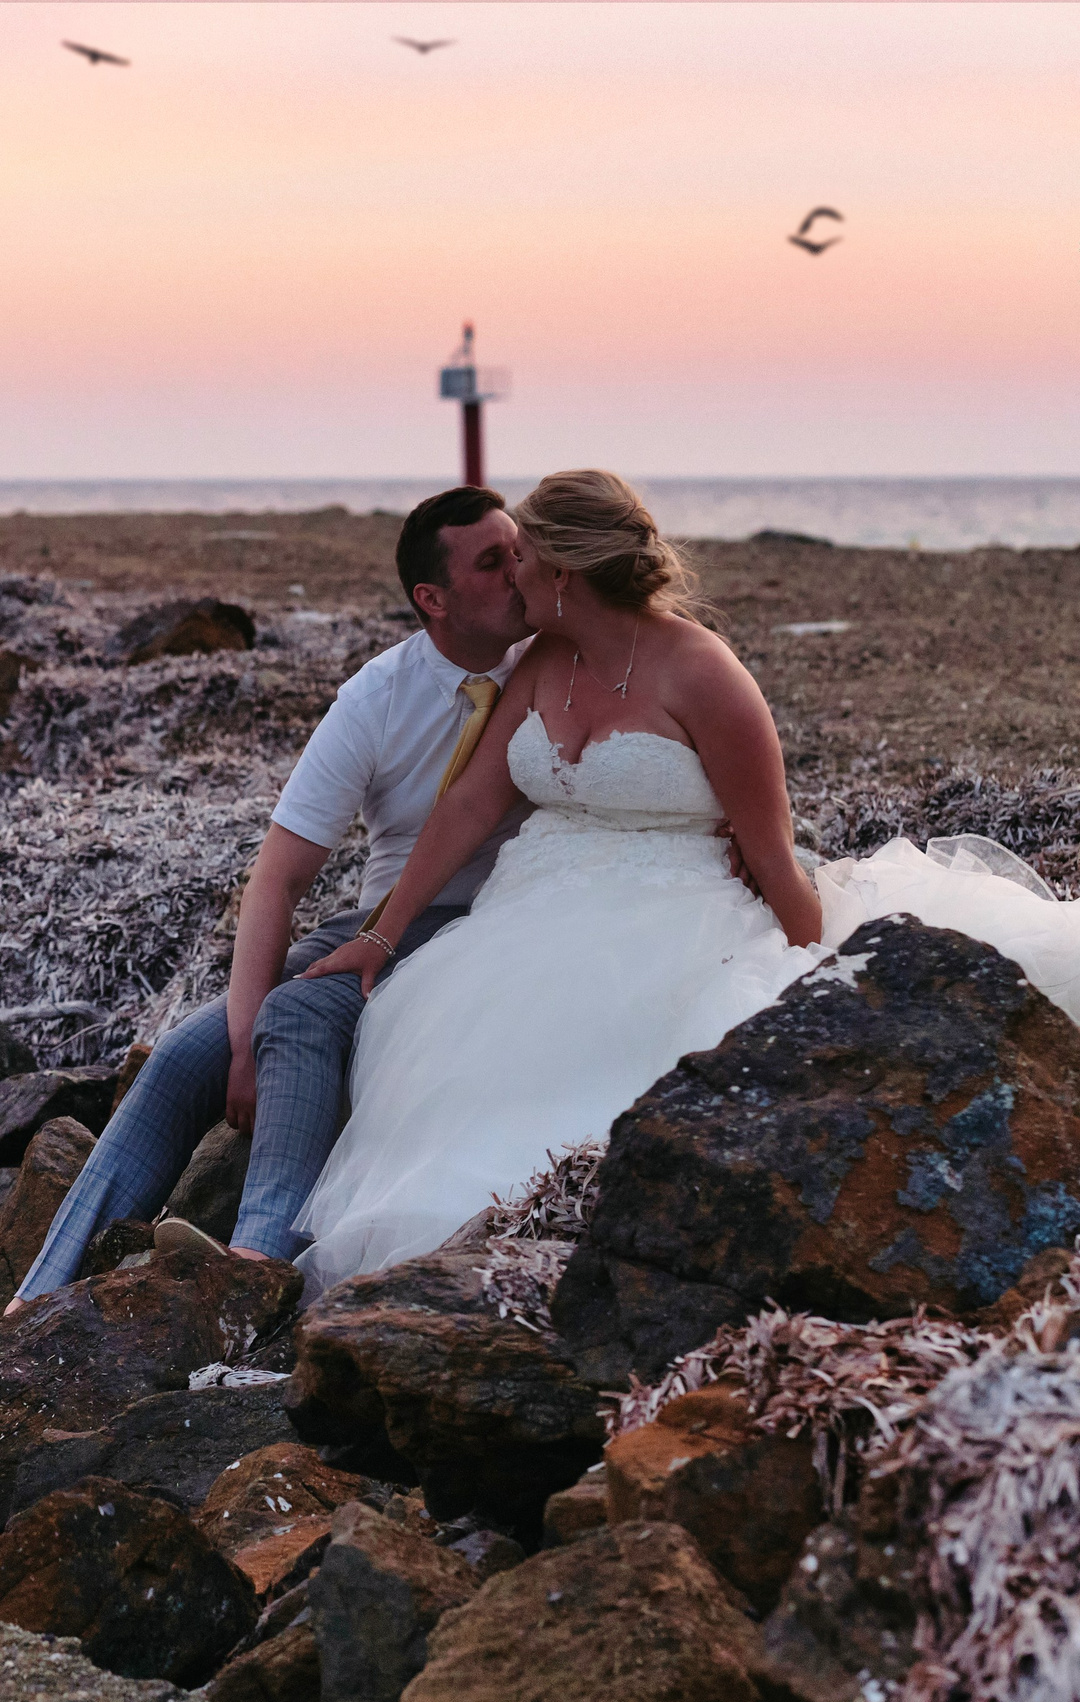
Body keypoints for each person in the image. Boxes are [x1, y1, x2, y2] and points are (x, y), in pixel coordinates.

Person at [290, 469, 1080, 1295]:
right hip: (516, 926)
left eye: (519, 557)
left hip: (671, 925)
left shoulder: (704, 673)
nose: (509, 573)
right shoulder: (542, 660)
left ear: (561, 574)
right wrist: (380, 935)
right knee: (436, 1069)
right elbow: (466, 807)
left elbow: (772, 855)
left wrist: (822, 989)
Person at [8, 485, 536, 1311]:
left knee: (302, 1014)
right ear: (432, 600)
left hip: (495, 920)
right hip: (379, 920)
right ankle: (38, 1298)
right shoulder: (379, 696)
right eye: (494, 561)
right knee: (187, 1057)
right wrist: (242, 1045)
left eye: (519, 549)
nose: (520, 571)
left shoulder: (551, 666)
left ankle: (256, 1264)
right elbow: (279, 876)